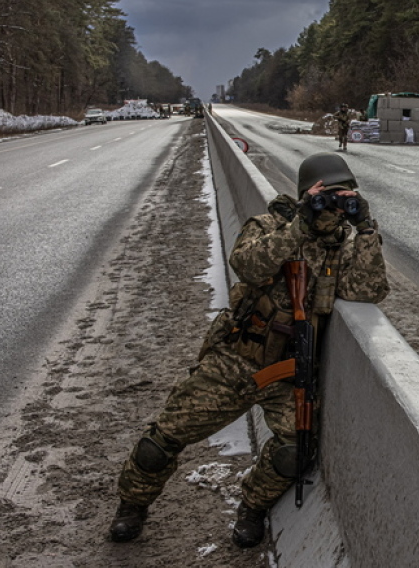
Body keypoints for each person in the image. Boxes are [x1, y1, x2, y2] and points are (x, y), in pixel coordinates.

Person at [108, 152, 389, 548]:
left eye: (345, 194)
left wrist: (366, 230)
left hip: (288, 371)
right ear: (305, 193)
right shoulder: (271, 225)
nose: (335, 203)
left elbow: (368, 290)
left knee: (293, 453)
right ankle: (131, 506)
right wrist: (301, 225)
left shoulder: (342, 247)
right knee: (163, 439)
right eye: (327, 194)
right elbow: (248, 265)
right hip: (237, 359)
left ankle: (251, 508)